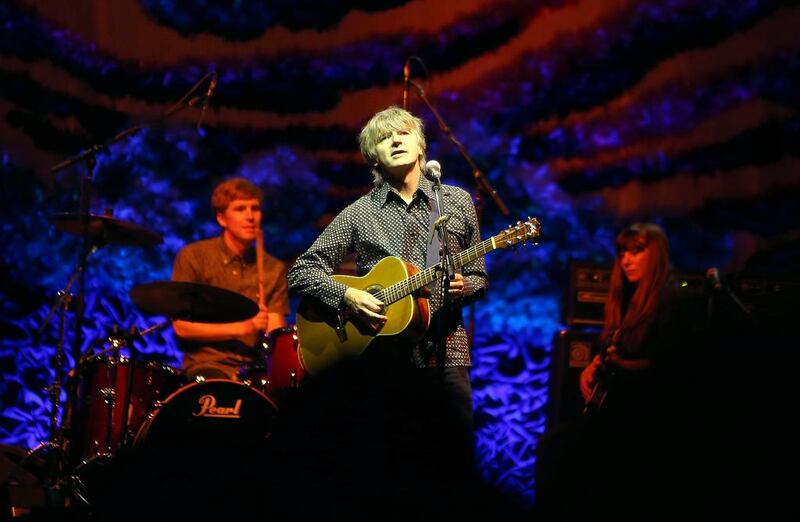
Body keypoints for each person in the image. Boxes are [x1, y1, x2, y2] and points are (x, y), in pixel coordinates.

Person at [285, 106, 488, 517]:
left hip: (445, 354)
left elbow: (479, 275)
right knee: (381, 470)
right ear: (373, 157)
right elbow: (301, 270)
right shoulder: (361, 213)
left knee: (452, 466)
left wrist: (466, 286)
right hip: (381, 360)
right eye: (383, 138)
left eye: (402, 133)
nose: (395, 140)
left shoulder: (456, 202)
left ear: (420, 144)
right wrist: (349, 297)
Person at [535, 223, 702, 520]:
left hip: (645, 417)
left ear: (656, 255)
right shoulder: (625, 296)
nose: (626, 259)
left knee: (560, 451)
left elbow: (672, 366)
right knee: (554, 445)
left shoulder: (672, 299)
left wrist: (624, 367)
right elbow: (614, 348)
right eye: (623, 252)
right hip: (615, 410)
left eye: (636, 251)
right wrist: (592, 367)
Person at [171, 177, 290, 380]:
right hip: (205, 365)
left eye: (255, 208)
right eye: (240, 209)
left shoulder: (273, 268)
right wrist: (245, 327)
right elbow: (182, 327)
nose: (250, 216)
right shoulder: (194, 257)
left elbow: (275, 331)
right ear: (221, 218)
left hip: (252, 369)